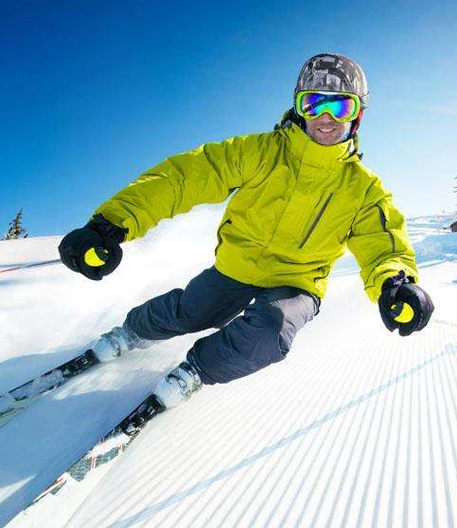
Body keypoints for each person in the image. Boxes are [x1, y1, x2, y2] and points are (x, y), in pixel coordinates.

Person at [58, 52, 434, 409]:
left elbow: (384, 246)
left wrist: (395, 284)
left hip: (298, 281)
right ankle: (131, 333)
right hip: (237, 266)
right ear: (299, 107)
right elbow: (184, 178)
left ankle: (197, 371)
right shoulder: (260, 152)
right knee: (191, 311)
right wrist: (111, 223)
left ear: (358, 116)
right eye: (313, 102)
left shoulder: (365, 190)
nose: (325, 117)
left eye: (340, 105)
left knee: (271, 329)